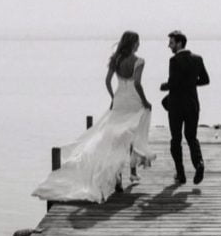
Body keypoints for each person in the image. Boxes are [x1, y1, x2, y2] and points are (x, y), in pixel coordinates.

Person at [32, 31, 155, 203]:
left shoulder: (116, 60)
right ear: (133, 43)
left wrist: (113, 97)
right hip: (133, 102)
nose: (139, 44)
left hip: (119, 101)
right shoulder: (139, 61)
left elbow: (107, 81)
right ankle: (131, 172)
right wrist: (146, 101)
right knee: (130, 136)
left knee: (114, 139)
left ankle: (119, 177)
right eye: (138, 42)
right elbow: (137, 83)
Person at [160, 30, 210, 185]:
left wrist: (164, 86)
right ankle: (199, 164)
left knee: (176, 139)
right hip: (192, 104)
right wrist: (190, 83)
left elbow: (173, 84)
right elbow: (205, 80)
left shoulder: (174, 61)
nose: (169, 45)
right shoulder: (198, 59)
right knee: (191, 137)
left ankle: (181, 174)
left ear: (179, 43)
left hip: (176, 105)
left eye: (171, 42)